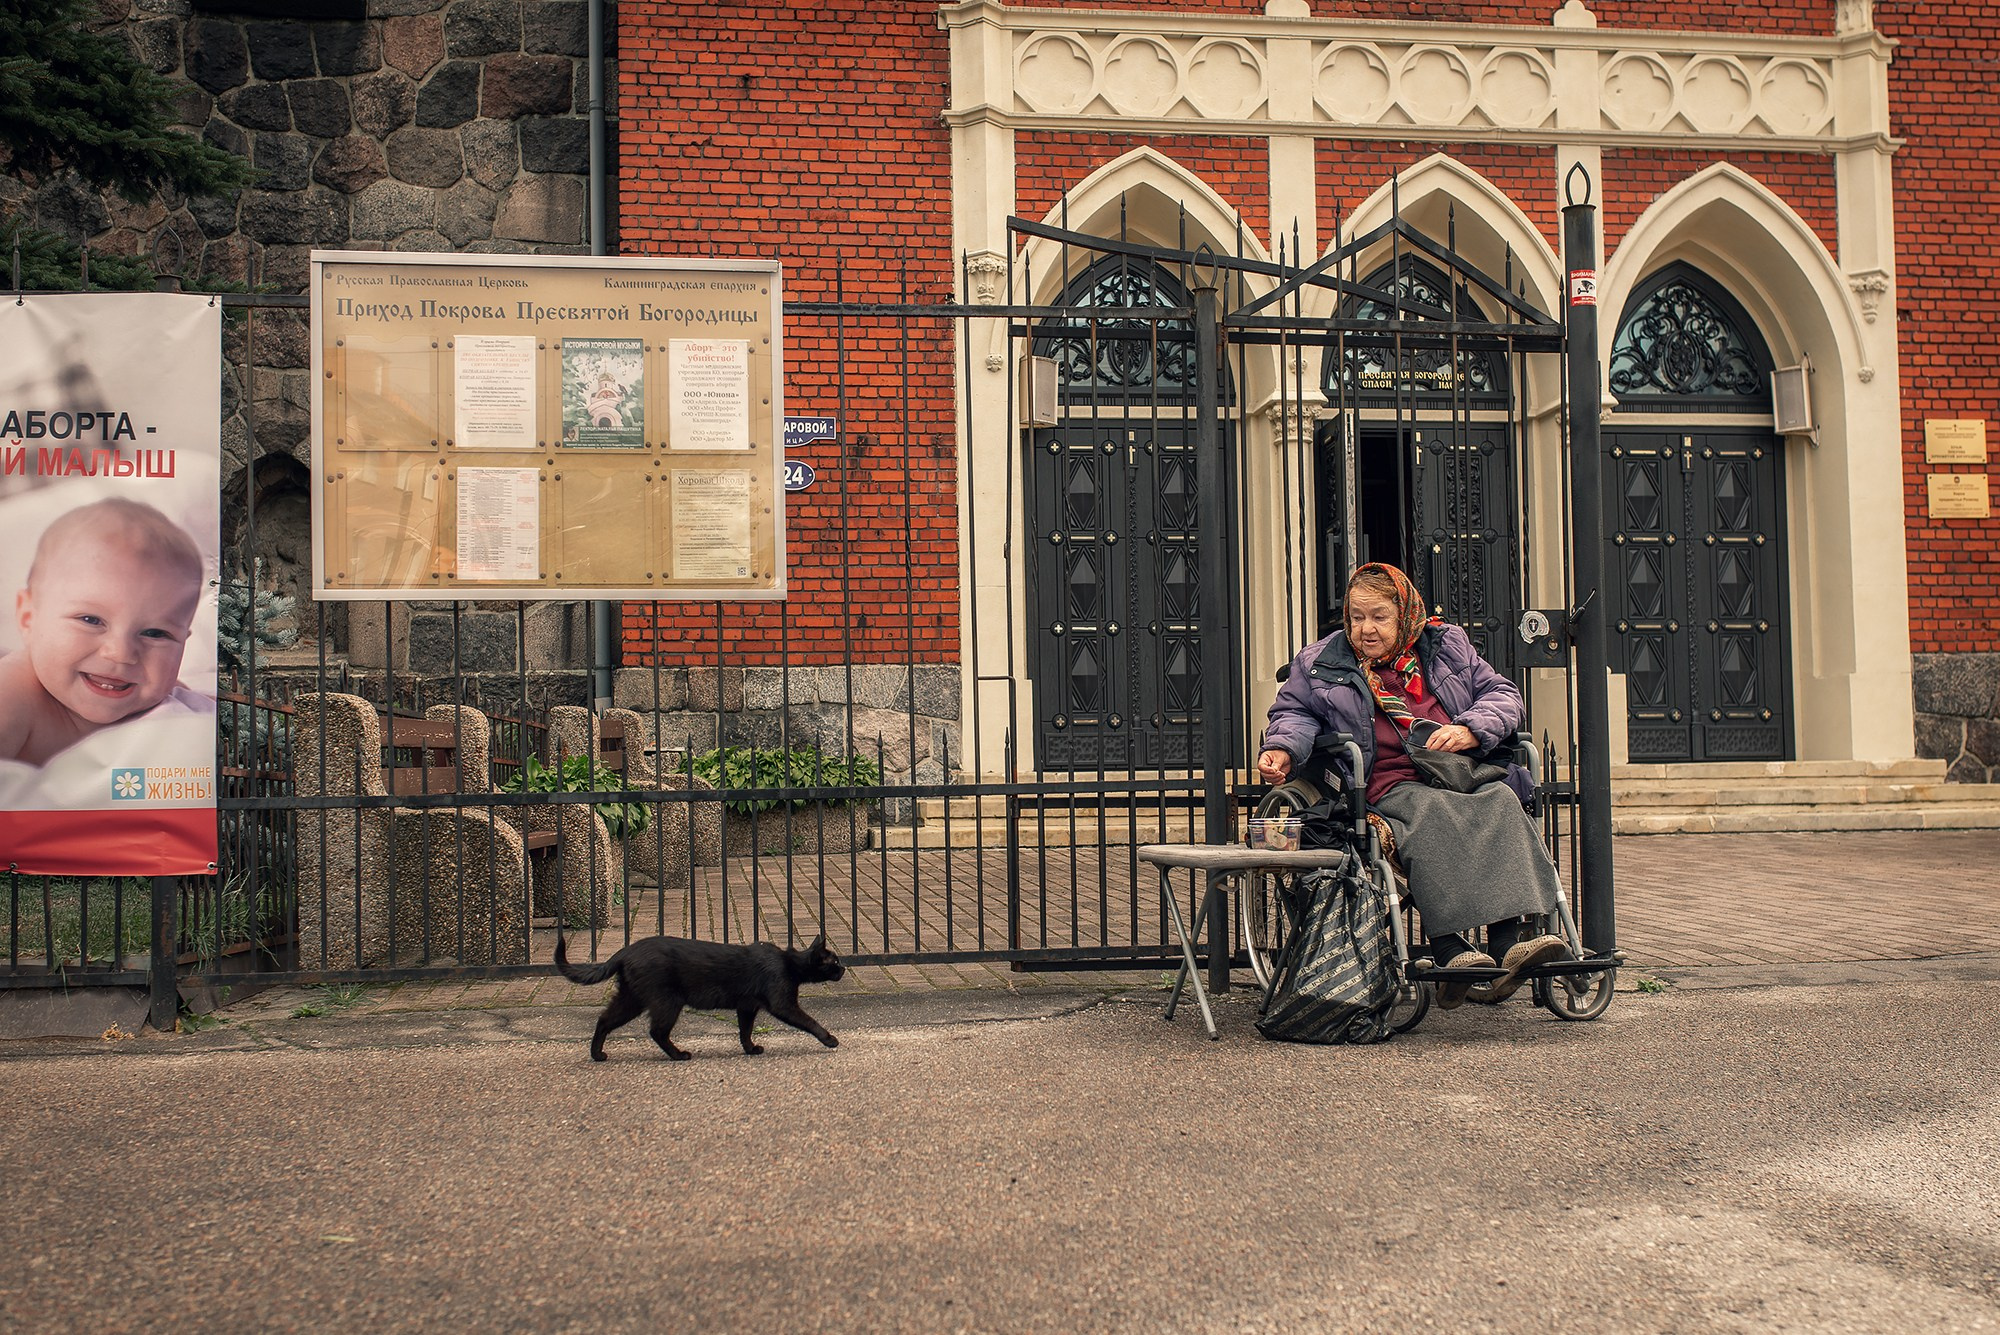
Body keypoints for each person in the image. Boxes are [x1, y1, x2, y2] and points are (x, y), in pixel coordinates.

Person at [1257, 562, 1567, 1009]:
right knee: (1430, 812)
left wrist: (1470, 730)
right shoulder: (1320, 662)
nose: (1365, 628)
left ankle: (1507, 944)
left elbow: (1503, 695)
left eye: (1379, 617)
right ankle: (1449, 948)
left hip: (1455, 769)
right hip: (1387, 779)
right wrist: (1284, 748)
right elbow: (1294, 713)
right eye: (1356, 616)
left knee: (1500, 798)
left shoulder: (1446, 647)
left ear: (1403, 614)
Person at [0, 497, 209, 768]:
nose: (121, 654)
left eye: (155, 633)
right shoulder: (14, 694)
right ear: (29, 618)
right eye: (91, 619)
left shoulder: (163, 704)